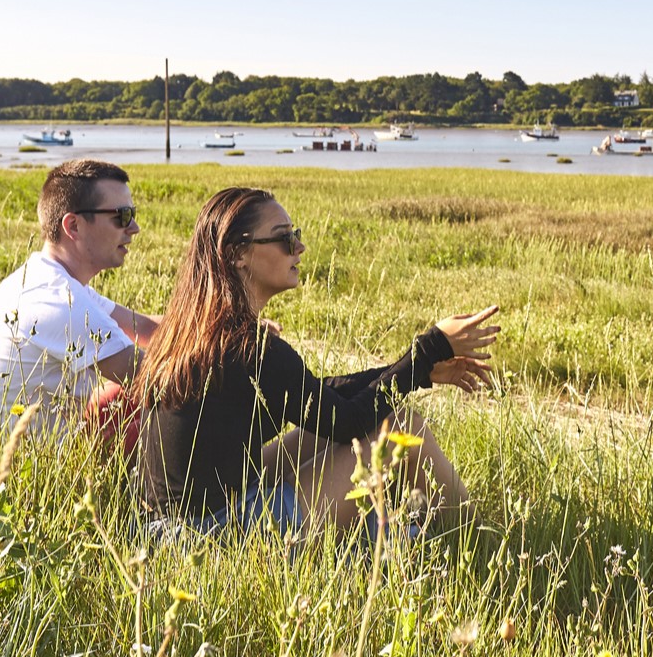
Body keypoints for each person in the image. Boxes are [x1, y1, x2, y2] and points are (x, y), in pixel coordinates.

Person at [134, 186, 498, 537]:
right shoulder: (250, 347)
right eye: (284, 239)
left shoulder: (193, 333)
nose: (300, 247)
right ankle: (473, 536)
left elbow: (317, 397)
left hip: (159, 530)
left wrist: (417, 371)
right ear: (237, 254)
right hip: (221, 537)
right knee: (404, 427)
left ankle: (406, 527)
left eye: (296, 235)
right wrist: (429, 349)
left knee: (322, 435)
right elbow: (347, 420)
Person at [0, 159, 161, 438]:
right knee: (176, 406)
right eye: (122, 215)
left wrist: (227, 325)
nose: (134, 227)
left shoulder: (47, 280)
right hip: (2, 467)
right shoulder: (60, 301)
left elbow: (148, 330)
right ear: (73, 226)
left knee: (120, 397)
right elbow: (158, 379)